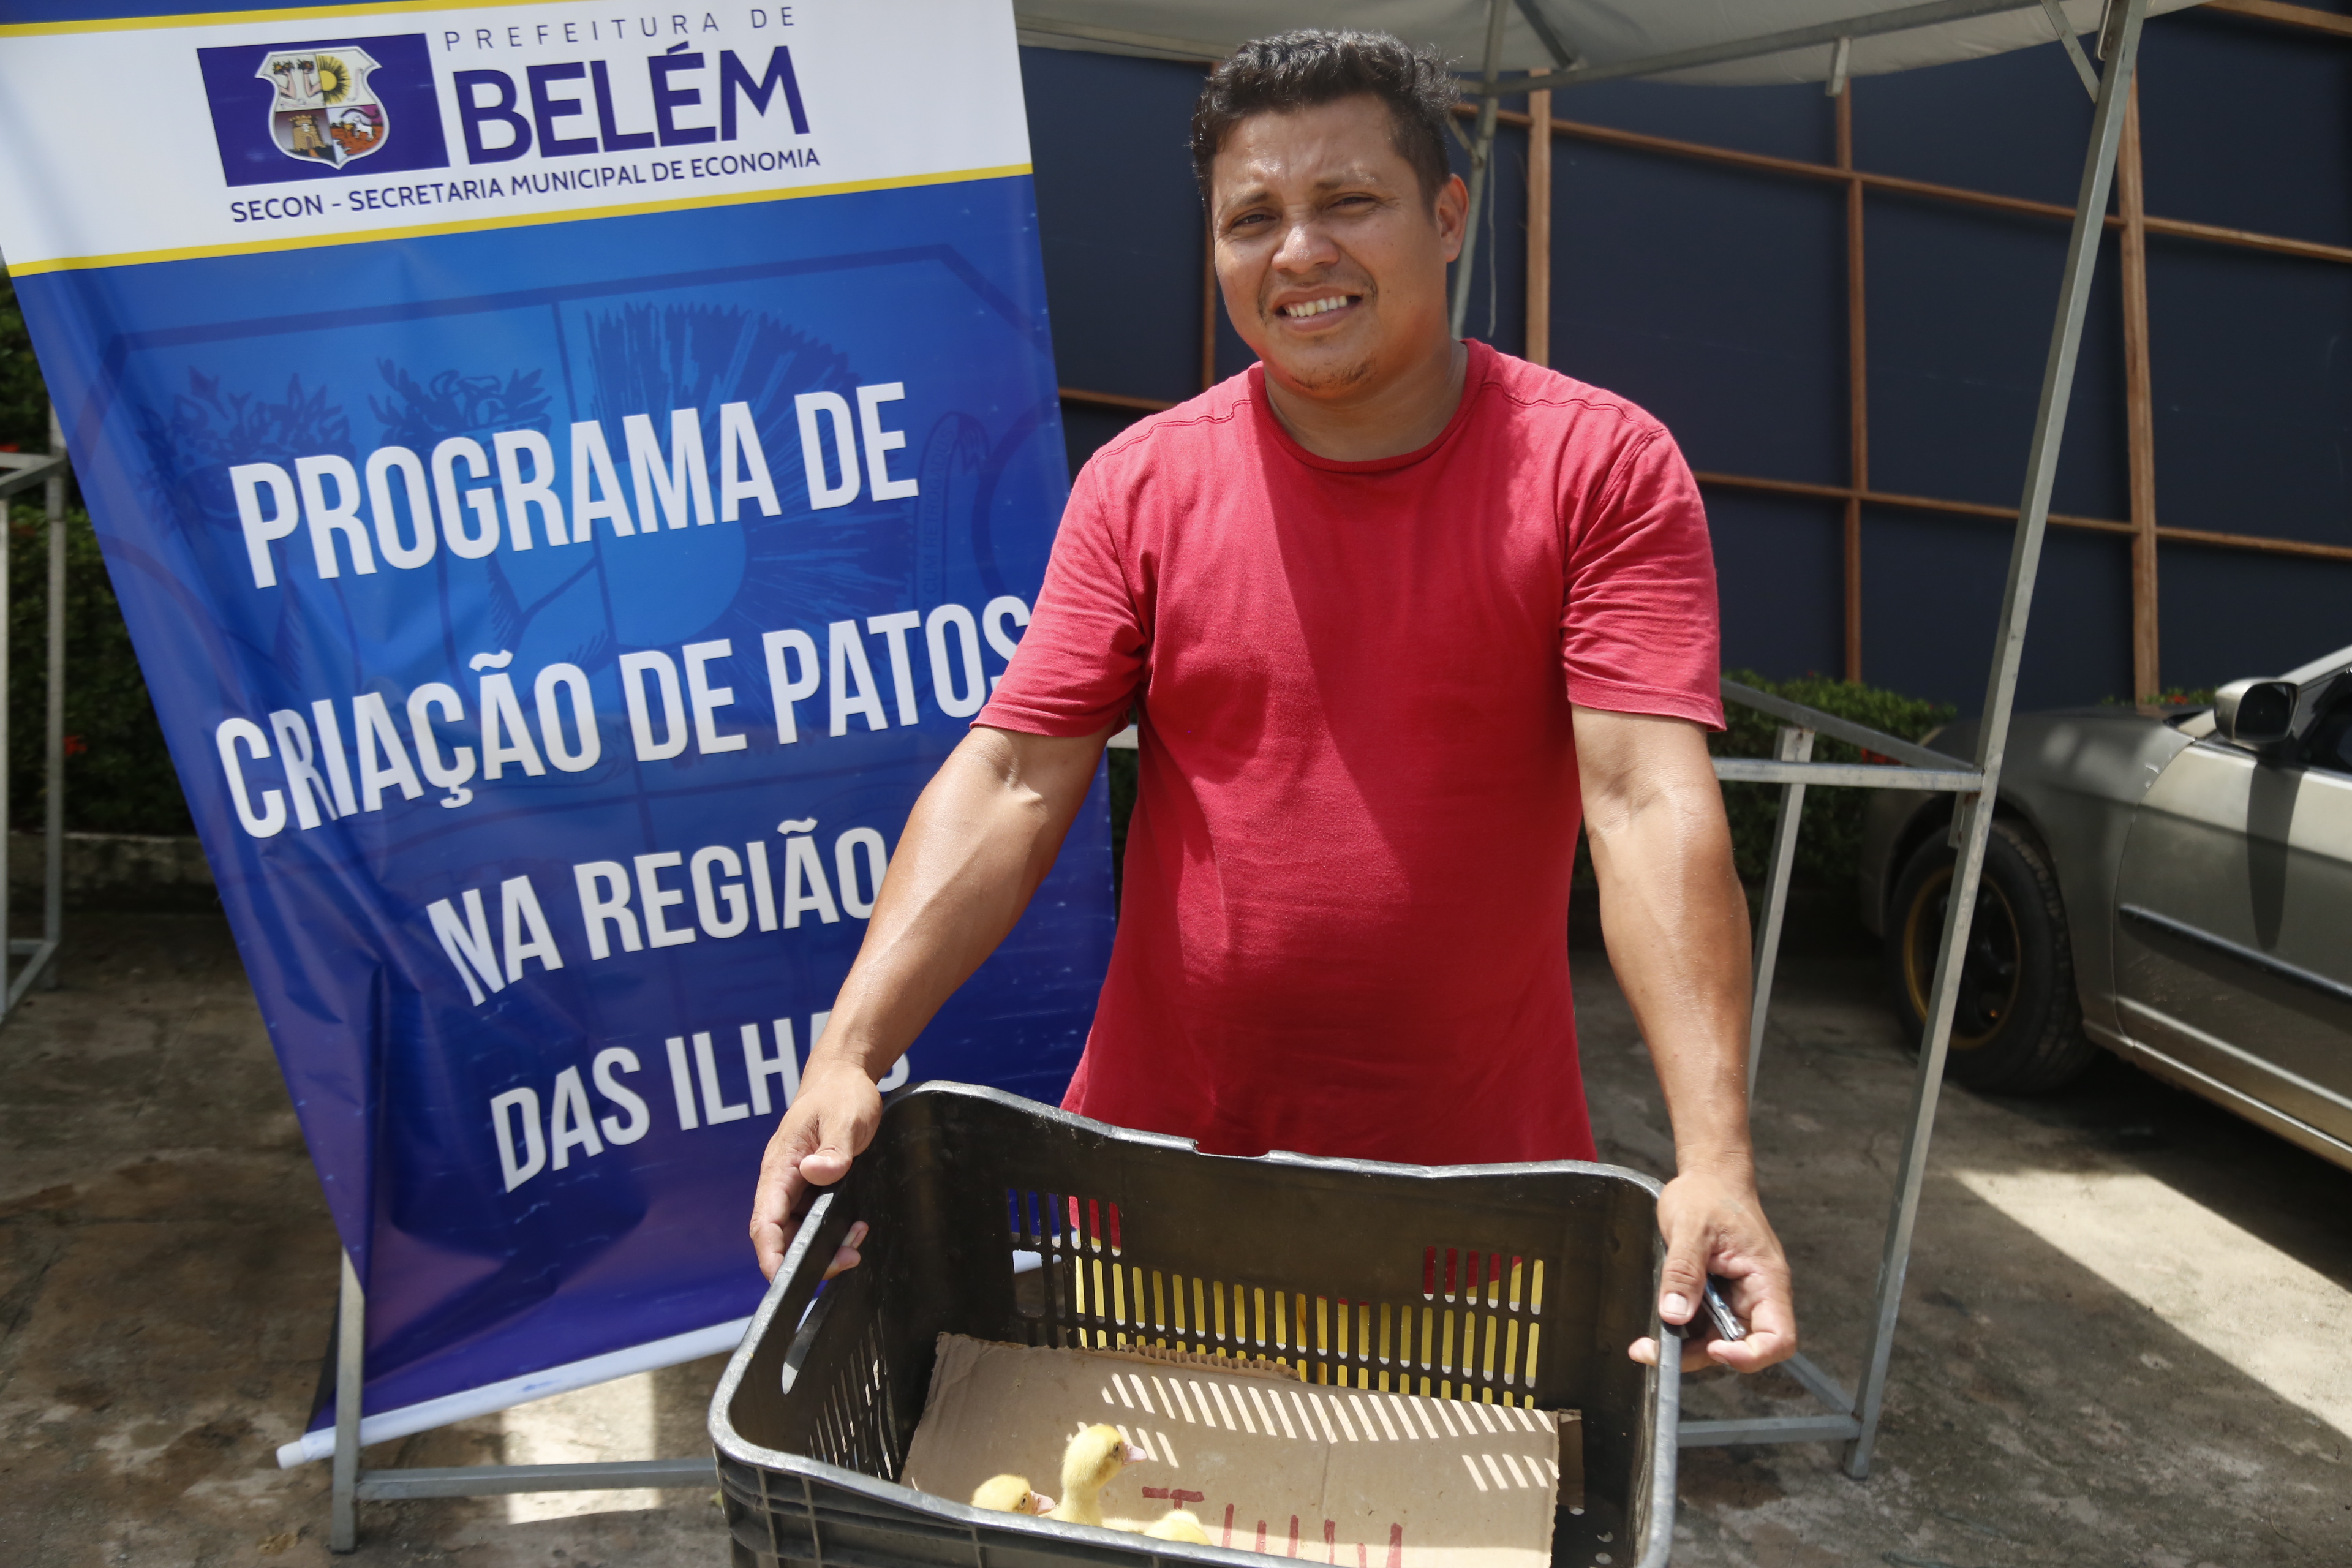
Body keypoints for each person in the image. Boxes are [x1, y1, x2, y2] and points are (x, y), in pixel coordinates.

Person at [750, 29, 1795, 1376]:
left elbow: (1645, 798)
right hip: (1150, 1182)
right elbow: (1014, 776)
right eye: (1252, 219)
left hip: (1472, 1205)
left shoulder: (1598, 468)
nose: (1299, 251)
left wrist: (1715, 1157)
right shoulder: (1144, 483)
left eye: (1348, 200)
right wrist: (851, 1050)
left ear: (1448, 215)